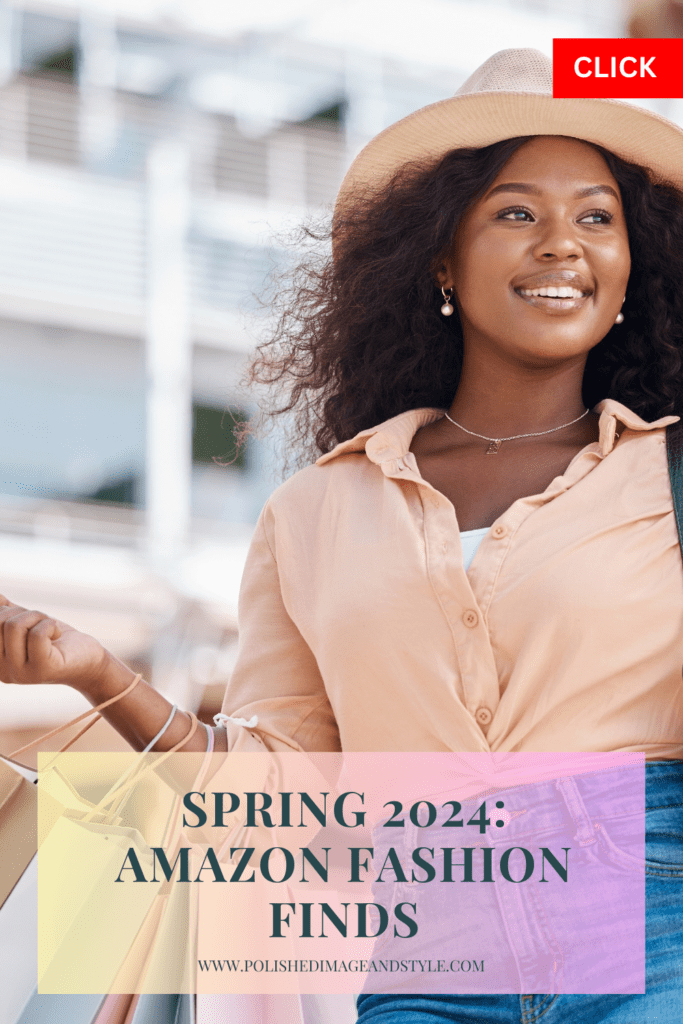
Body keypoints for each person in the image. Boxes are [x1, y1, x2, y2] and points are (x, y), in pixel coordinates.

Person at [2, 48, 683, 1022]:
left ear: (632, 262)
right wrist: (98, 673)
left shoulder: (663, 475)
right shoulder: (315, 512)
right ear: (439, 256)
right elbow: (279, 795)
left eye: (595, 216)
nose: (560, 244)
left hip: (650, 909)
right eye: (515, 211)